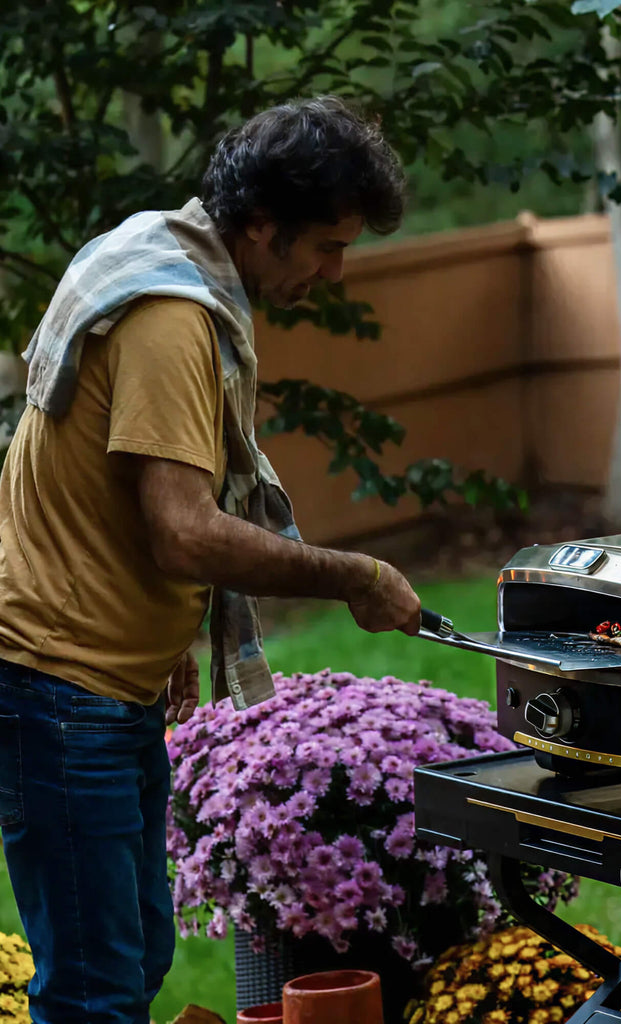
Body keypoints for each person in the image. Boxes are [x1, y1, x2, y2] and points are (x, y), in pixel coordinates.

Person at [0, 96, 422, 1024]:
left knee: (137, 954)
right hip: (60, 687)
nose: (336, 271)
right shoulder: (171, 319)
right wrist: (353, 574)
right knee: (93, 993)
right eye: (326, 245)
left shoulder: (164, 256)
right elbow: (182, 529)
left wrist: (173, 630)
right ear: (261, 224)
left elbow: (115, 503)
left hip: (108, 683)